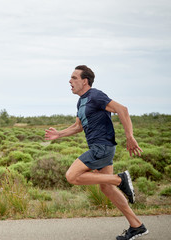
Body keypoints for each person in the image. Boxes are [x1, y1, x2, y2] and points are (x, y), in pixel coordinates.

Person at [44, 65, 149, 240]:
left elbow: (122, 110)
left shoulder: (95, 95)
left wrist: (130, 137)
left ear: (85, 81)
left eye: (74, 78)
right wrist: (59, 134)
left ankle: (120, 179)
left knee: (72, 176)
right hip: (100, 148)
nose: (70, 81)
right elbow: (78, 126)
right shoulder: (81, 101)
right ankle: (136, 225)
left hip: (102, 147)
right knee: (107, 188)